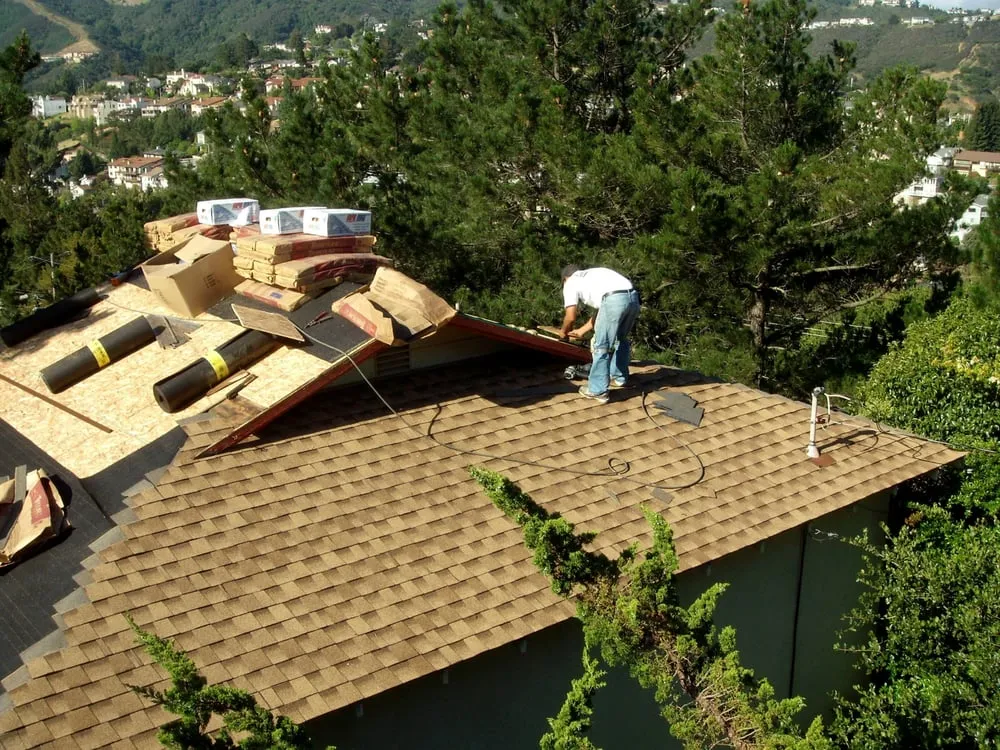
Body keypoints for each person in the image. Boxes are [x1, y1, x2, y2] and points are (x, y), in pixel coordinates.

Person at [559, 265, 641, 404]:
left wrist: (563, 332)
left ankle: (598, 391)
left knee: (601, 346)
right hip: (633, 298)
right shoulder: (594, 274)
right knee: (621, 339)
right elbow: (603, 309)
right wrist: (582, 330)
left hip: (614, 300)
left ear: (565, 279)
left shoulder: (570, 283)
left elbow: (570, 316)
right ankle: (619, 378)